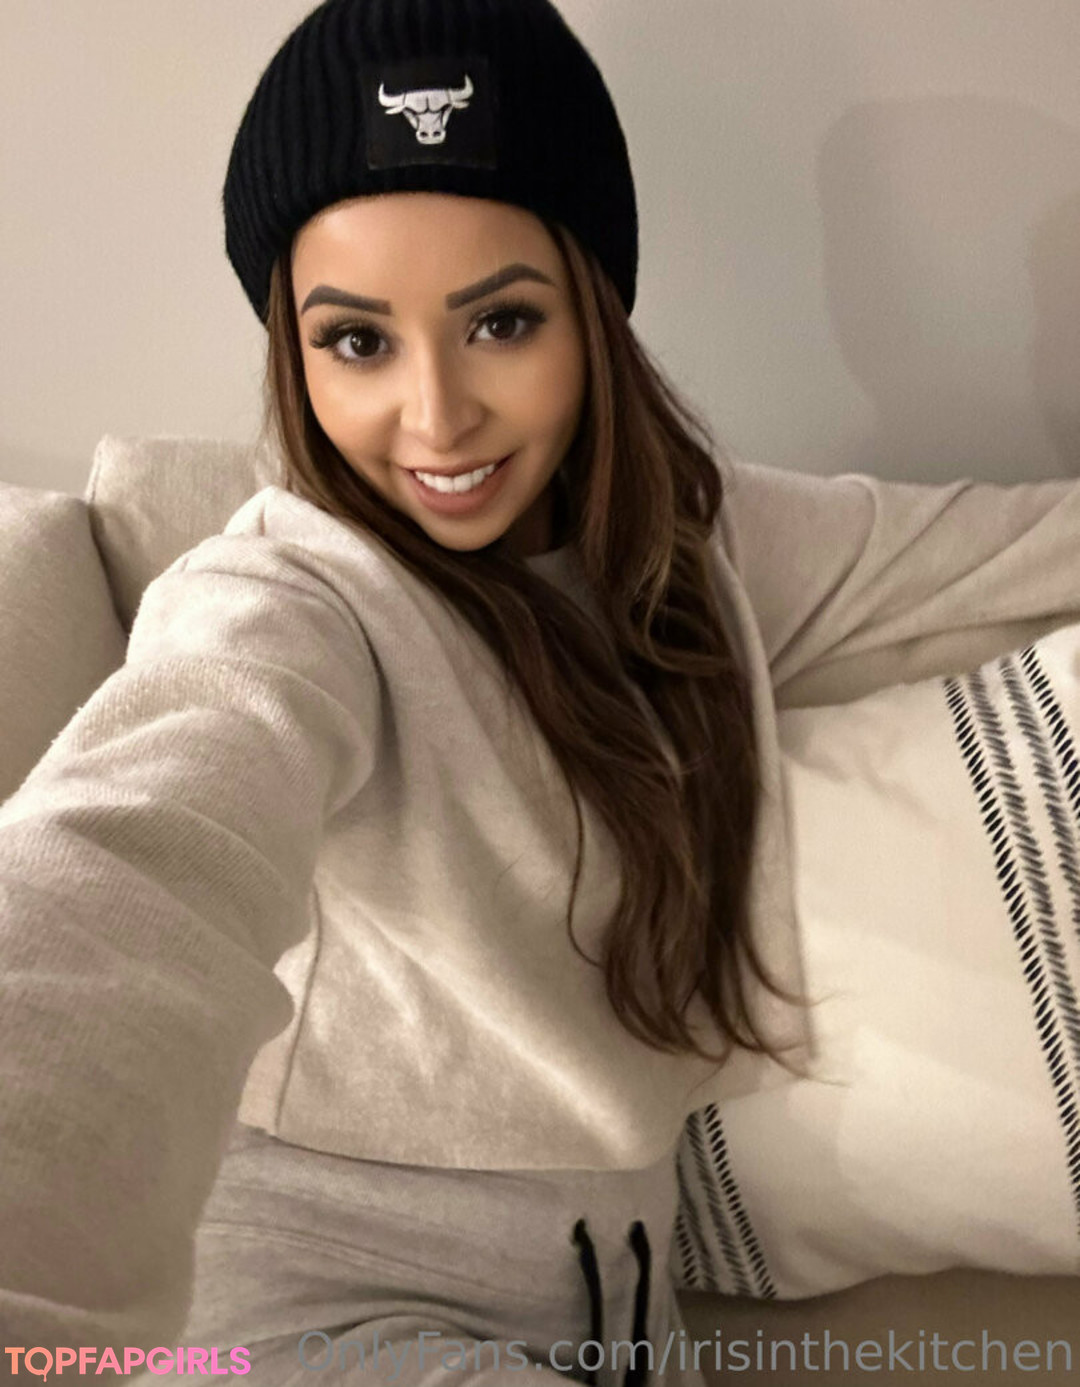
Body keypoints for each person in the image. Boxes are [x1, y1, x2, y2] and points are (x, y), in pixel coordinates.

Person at [1, 0, 1079, 1381]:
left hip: (615, 1306)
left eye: (500, 322)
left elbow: (1014, 551)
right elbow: (134, 858)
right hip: (300, 1320)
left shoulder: (698, 553)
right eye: (357, 342)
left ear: (593, 312)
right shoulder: (290, 597)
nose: (437, 416)